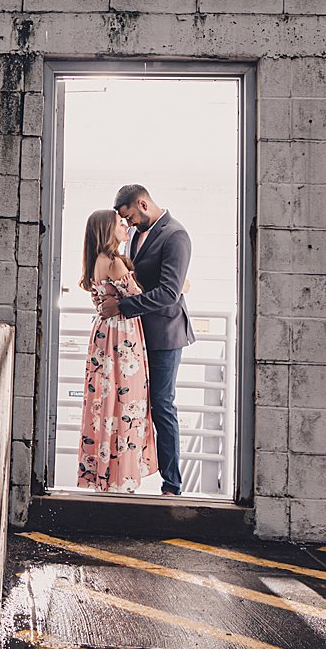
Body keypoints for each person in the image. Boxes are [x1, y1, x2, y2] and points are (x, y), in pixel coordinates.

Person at [94, 185, 193, 496]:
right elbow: (137, 278)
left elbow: (168, 293)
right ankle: (127, 475)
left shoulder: (176, 235)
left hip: (165, 334)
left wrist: (122, 307)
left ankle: (172, 485)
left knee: (162, 405)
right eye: (126, 220)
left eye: (131, 217)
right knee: (131, 406)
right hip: (133, 338)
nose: (130, 224)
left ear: (142, 203)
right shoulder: (137, 235)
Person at [75, 208, 158, 493]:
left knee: (105, 402)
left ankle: (105, 476)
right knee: (127, 403)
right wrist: (181, 286)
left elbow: (101, 300)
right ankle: (122, 478)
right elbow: (139, 299)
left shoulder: (95, 262)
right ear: (107, 231)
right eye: (120, 223)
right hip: (123, 338)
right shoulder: (114, 263)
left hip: (103, 335)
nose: (125, 226)